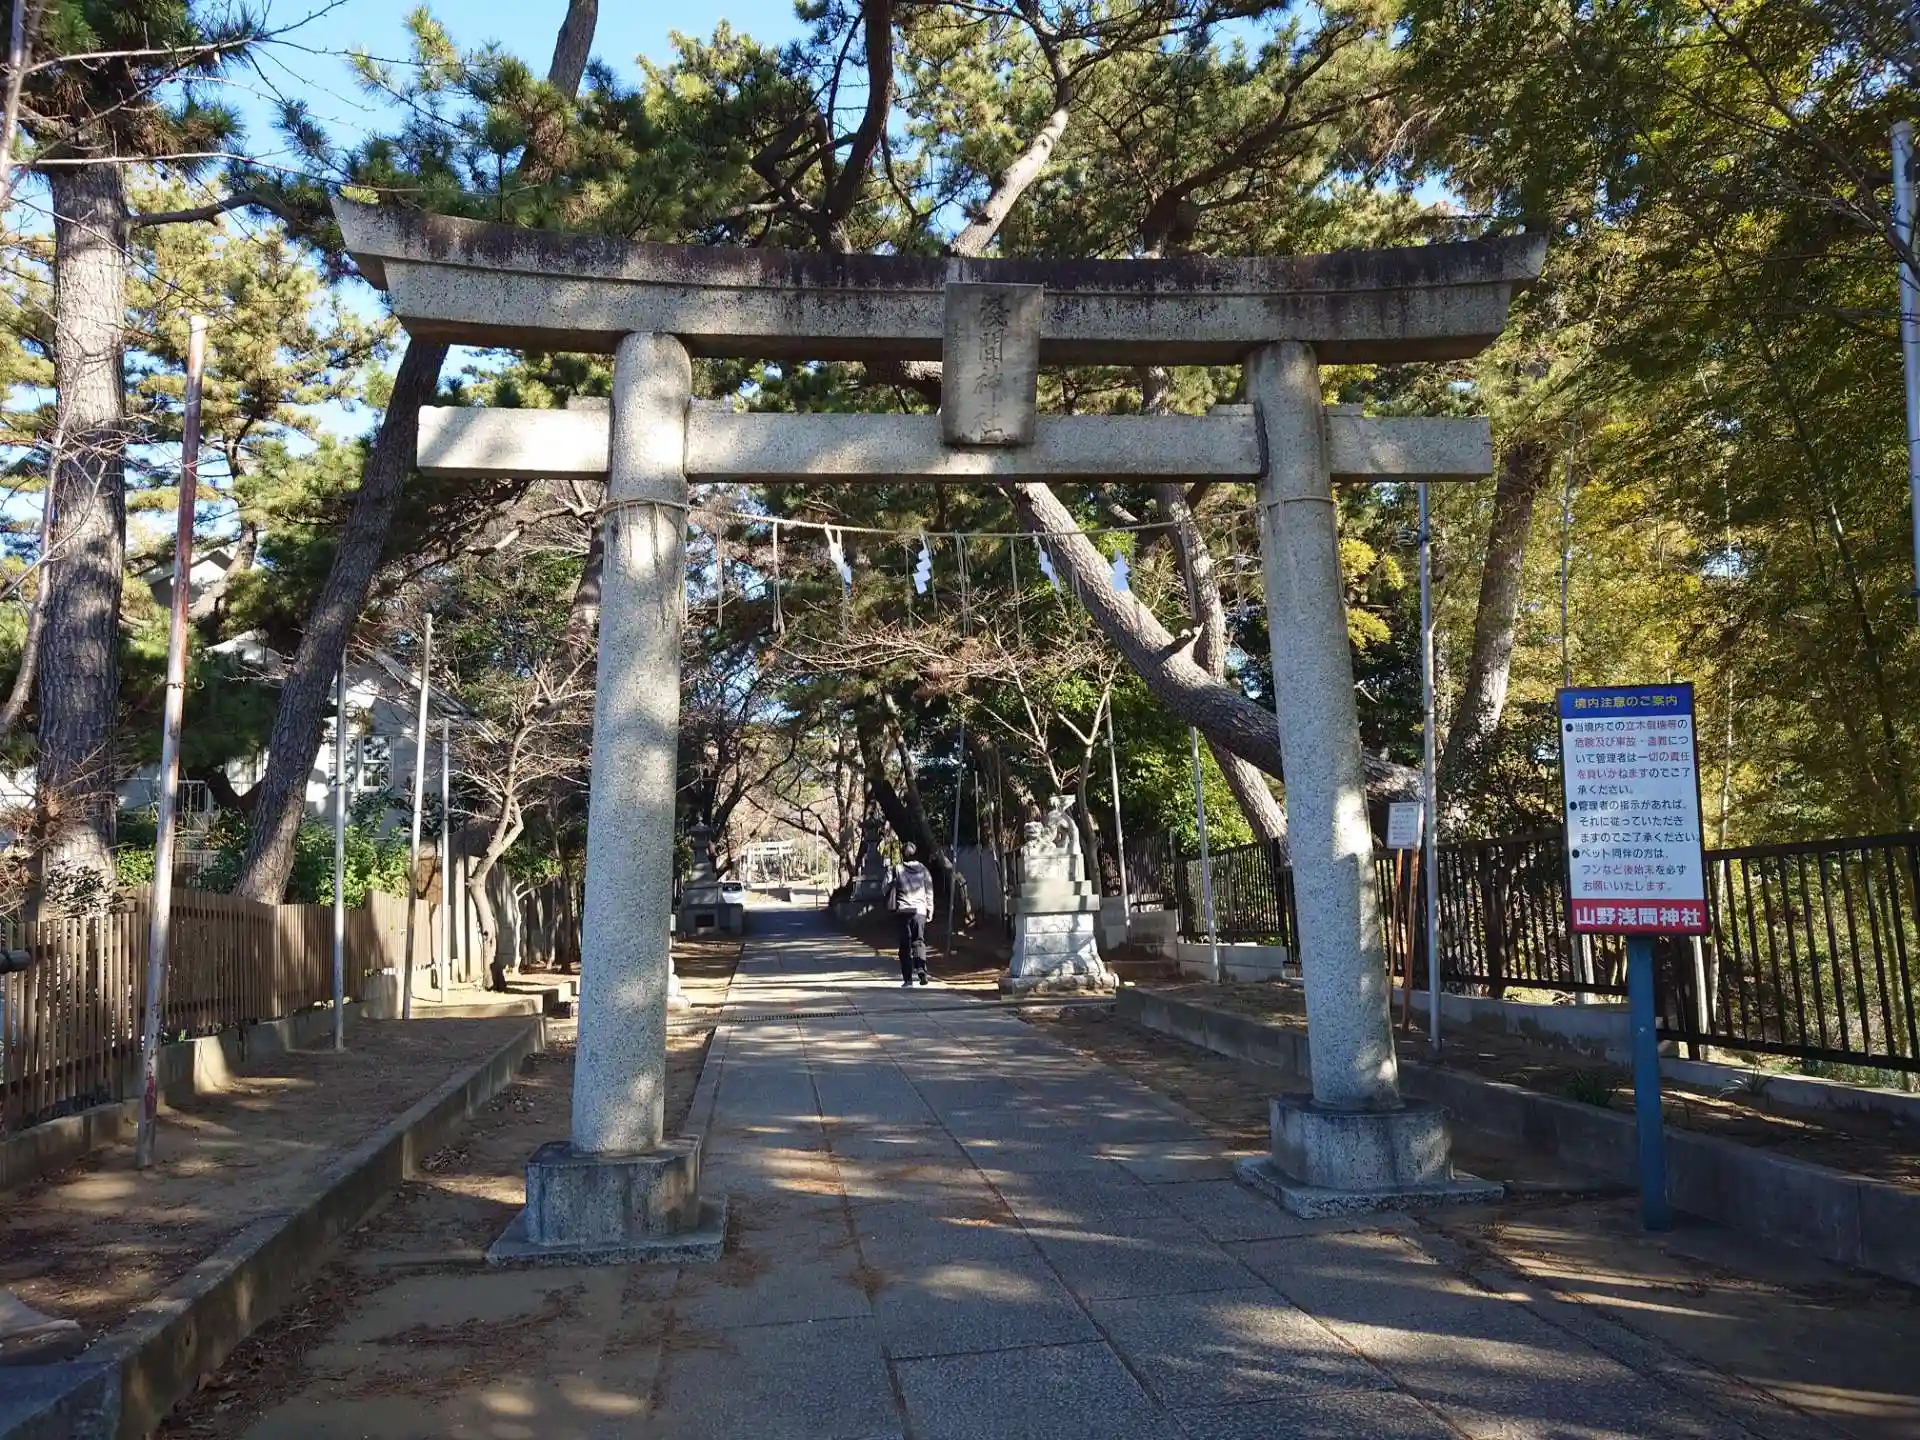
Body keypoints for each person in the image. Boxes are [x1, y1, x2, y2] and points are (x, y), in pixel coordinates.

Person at [885, 844, 935, 986]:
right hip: (920, 911)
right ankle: (921, 968)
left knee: (905, 945)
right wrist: (930, 909)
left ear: (902, 855)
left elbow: (884, 888)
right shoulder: (923, 870)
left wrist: (893, 883)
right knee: (919, 941)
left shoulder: (896, 869)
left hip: (903, 911)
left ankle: (908, 980)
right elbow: (929, 890)